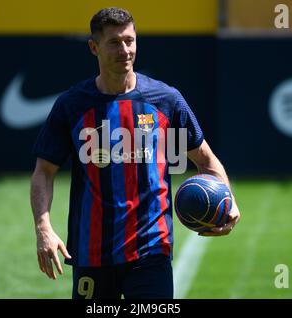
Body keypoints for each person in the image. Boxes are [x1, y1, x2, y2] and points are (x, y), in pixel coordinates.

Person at [30, 7, 241, 299]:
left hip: (151, 250)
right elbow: (44, 172)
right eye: (115, 42)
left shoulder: (166, 101)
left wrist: (227, 202)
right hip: (92, 254)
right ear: (94, 47)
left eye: (130, 40)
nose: (125, 50)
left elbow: (206, 161)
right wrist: (44, 228)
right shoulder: (72, 105)